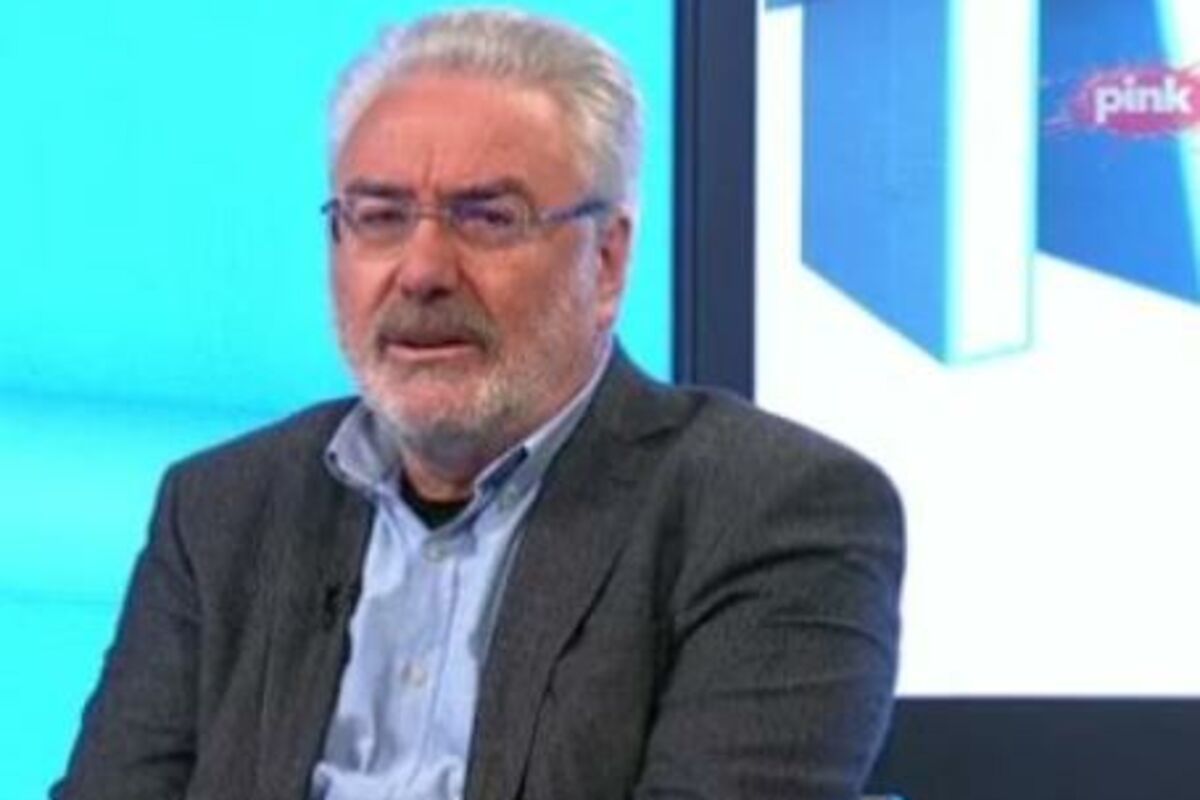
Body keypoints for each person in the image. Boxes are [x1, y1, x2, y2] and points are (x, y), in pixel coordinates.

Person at [53, 8, 903, 800]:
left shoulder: (773, 513)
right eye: (379, 216)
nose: (423, 271)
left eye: (488, 218)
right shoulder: (221, 511)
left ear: (607, 260)